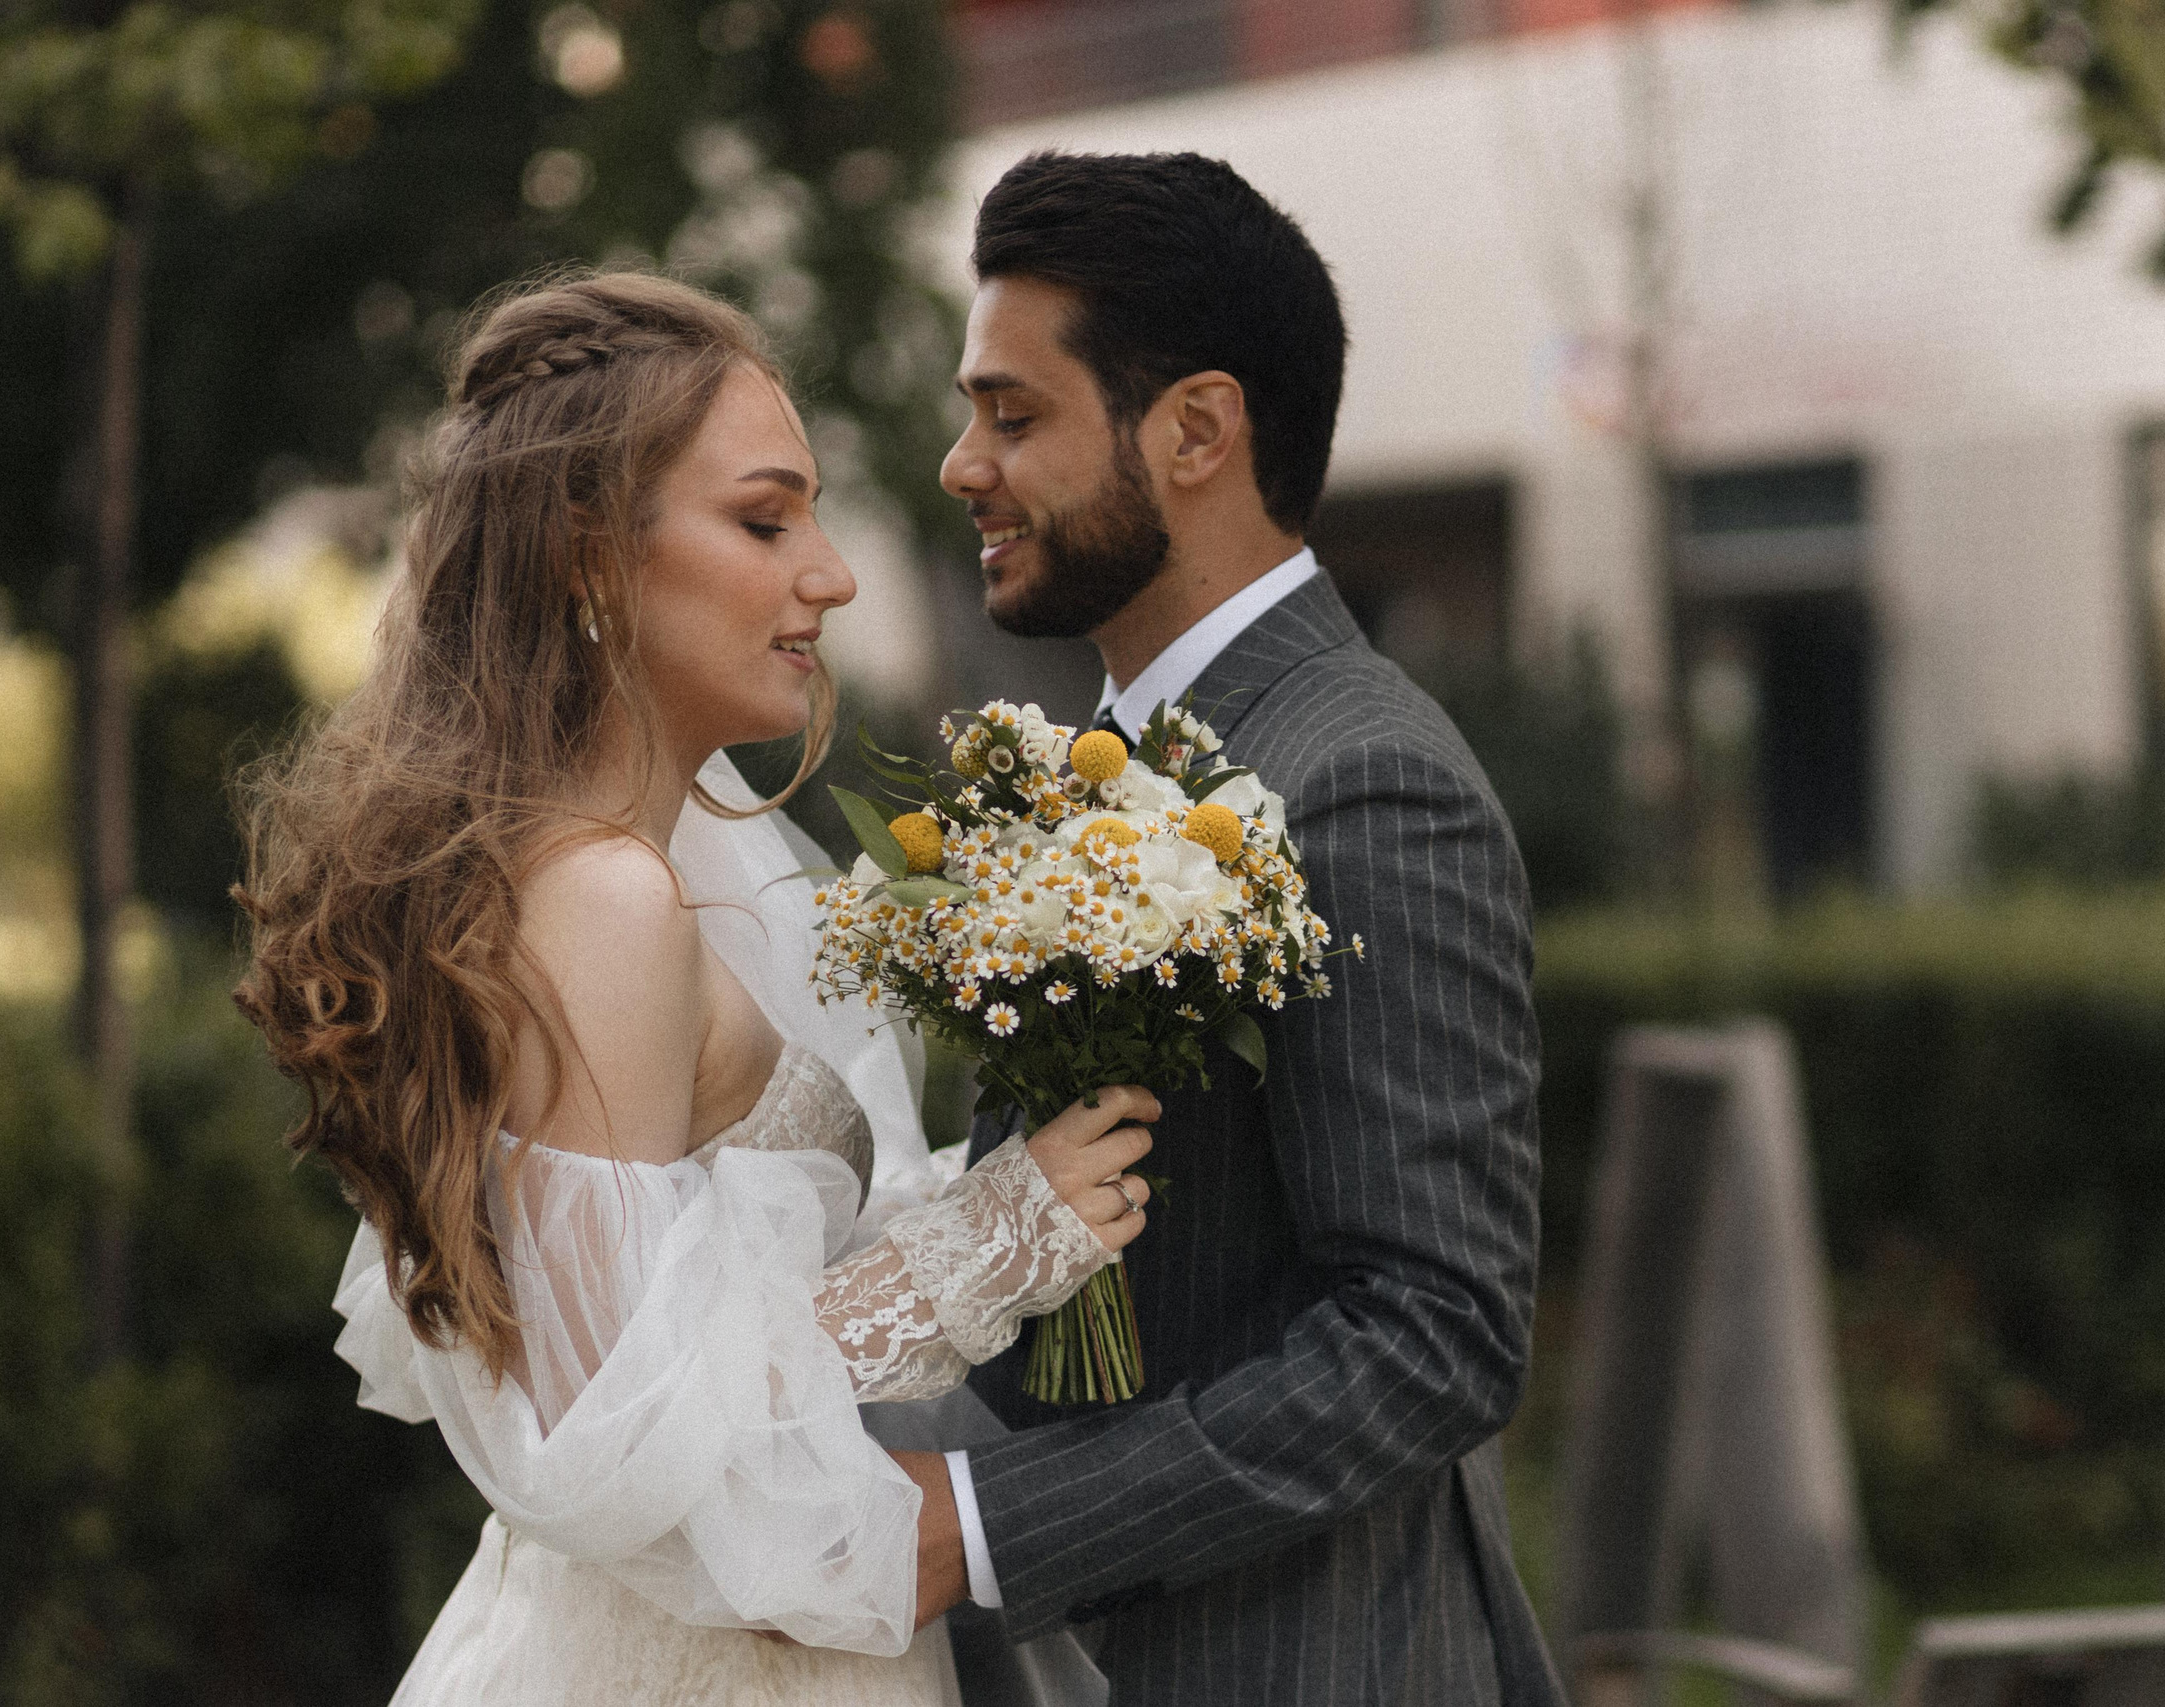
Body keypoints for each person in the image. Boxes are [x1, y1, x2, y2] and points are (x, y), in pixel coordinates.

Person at [231, 270, 1161, 1707]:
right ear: (589, 557)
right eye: (765, 521)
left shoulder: (654, 858)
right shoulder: (605, 899)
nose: (831, 576)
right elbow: (620, 1441)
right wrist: (990, 1248)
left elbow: (703, 1317)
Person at [918, 151, 1569, 1705]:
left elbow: (1437, 1332)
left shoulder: (1365, 780)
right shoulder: (1124, 760)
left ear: (1196, 430)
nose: (962, 465)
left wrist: (990, 1529)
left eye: (1014, 416)